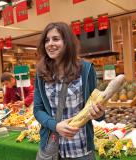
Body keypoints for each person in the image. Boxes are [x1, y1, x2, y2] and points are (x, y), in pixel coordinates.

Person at [34, 22, 105, 160]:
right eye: (47, 40)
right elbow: (37, 109)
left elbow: (95, 107)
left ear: (67, 42)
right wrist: (55, 125)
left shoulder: (86, 69)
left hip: (80, 148)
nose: (50, 44)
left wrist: (99, 114)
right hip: (52, 146)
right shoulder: (41, 73)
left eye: (56, 39)